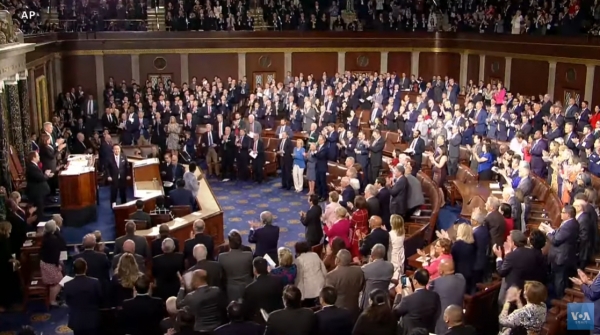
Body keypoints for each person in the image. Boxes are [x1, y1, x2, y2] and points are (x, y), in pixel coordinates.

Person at [393, 268, 441, 335]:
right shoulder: (435, 296)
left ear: (415, 281)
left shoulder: (407, 300)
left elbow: (394, 313)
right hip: (426, 332)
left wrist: (399, 294)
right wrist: (412, 294)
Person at [64, 259, 103, 335]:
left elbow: (67, 302)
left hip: (76, 321)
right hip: (93, 320)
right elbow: (100, 298)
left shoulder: (67, 284)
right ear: (86, 268)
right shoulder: (95, 282)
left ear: (73, 269)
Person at [429, 259, 467, 335]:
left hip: (443, 323)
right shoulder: (461, 279)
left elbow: (429, 296)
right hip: (459, 319)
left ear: (441, 271)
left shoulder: (435, 283)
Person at [243, 257, 285, 323]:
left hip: (258, 323)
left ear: (255, 270)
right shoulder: (278, 281)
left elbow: (248, 310)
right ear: (267, 268)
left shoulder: (249, 289)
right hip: (278, 320)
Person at [325, 249, 365, 318]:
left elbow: (329, 298)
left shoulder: (330, 276)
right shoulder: (359, 271)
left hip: (338, 313)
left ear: (338, 260)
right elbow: (361, 287)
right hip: (354, 310)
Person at [217, 231, 254, 302]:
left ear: (229, 243)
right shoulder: (248, 255)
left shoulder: (222, 257)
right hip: (248, 286)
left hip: (231, 289)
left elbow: (221, 275)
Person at [40, 220, 66, 306]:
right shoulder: (53, 240)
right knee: (61, 281)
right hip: (50, 265)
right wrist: (58, 266)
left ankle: (52, 298)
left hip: (44, 263)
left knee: (53, 283)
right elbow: (55, 255)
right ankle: (52, 300)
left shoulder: (45, 237)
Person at [294, 241, 327, 307]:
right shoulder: (315, 255)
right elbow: (324, 271)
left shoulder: (298, 260)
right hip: (320, 288)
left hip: (308, 292)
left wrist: (300, 295)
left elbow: (299, 278)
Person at [0, 221, 20, 312]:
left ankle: (11, 302)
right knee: (5, 285)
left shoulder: (6, 239)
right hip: (3, 267)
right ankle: (5, 305)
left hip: (7, 266)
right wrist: (12, 260)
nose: (11, 231)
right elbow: (3, 255)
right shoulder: (2, 240)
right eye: (10, 229)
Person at [450, 223, 476, 289]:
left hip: (459, 273)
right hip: (470, 272)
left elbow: (452, 257)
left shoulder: (457, 245)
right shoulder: (472, 245)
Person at [387, 214, 406, 279]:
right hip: (400, 254)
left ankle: (393, 287)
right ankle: (404, 285)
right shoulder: (402, 233)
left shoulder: (390, 234)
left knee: (394, 274)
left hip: (393, 255)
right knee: (401, 272)